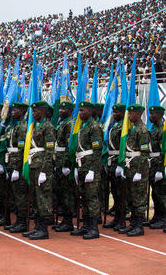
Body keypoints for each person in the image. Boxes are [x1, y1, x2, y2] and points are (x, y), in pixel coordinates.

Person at [22, 101, 55, 240]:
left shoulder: (48, 127)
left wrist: (44, 171)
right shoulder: (35, 127)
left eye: (36, 111)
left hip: (42, 167)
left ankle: (43, 230)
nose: (33, 114)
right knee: (35, 198)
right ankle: (37, 226)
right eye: (33, 111)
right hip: (34, 165)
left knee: (43, 198)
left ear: (42, 112)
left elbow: (49, 150)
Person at [70, 101, 102, 240]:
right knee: (84, 197)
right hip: (82, 165)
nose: (80, 113)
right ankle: (86, 225)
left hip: (90, 166)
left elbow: (97, 150)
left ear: (90, 111)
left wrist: (92, 170)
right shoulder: (83, 126)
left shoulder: (94, 127)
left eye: (82, 110)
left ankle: (94, 228)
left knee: (91, 197)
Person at [118, 104, 150, 237]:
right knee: (131, 197)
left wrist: (139, 171)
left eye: (132, 114)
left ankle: (139, 226)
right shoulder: (134, 129)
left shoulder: (142, 130)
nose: (129, 116)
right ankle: (133, 224)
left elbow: (144, 153)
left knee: (139, 198)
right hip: (131, 167)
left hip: (138, 169)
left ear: (138, 114)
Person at [5, 102, 29, 233]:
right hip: (12, 163)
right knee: (16, 195)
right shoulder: (16, 126)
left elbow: (21, 150)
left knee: (21, 195)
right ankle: (19, 221)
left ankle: (22, 222)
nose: (12, 112)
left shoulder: (23, 127)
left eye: (16, 110)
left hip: (17, 165)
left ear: (23, 112)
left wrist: (17, 168)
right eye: (12, 110)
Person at [53, 101, 75, 232]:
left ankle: (68, 221)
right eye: (60, 108)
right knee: (61, 192)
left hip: (64, 163)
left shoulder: (70, 124)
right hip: (58, 161)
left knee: (67, 194)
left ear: (71, 111)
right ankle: (65, 221)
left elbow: (69, 146)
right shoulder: (61, 122)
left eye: (64, 109)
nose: (60, 110)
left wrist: (66, 164)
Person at [146, 106, 165, 229]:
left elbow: (163, 151)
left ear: (159, 115)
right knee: (155, 193)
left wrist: (160, 169)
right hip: (152, 164)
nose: (150, 116)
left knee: (162, 194)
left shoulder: (163, 130)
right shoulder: (153, 128)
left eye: (152, 114)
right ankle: (157, 216)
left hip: (159, 164)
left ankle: (164, 218)